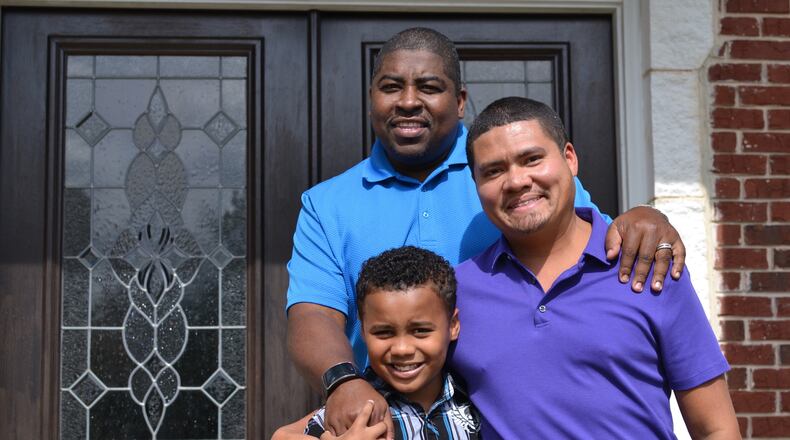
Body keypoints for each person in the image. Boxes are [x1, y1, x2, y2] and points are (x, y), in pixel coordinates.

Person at [286, 27, 687, 437]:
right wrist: (342, 382)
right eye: (391, 87)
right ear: (372, 96)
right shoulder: (327, 204)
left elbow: (596, 242)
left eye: (428, 87)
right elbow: (312, 315)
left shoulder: (508, 181)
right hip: (384, 421)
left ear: (460, 102)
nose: (408, 102)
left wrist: (646, 217)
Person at [450, 96, 739, 439]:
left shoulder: (647, 267)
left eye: (532, 159)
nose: (515, 181)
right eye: (494, 171)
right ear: (477, 185)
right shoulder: (458, 292)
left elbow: (715, 428)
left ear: (569, 158)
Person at [275, 246, 480, 440]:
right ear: (363, 330)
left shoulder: (479, 401)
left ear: (453, 325)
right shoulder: (353, 415)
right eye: (384, 332)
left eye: (420, 331)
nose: (402, 349)